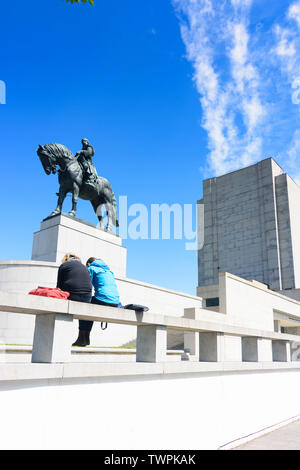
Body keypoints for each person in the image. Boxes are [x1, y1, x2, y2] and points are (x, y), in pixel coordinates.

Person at [56, 253, 93, 347]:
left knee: (60, 309)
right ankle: (83, 338)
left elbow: (59, 285)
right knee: (85, 314)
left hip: (72, 294)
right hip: (87, 296)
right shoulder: (84, 267)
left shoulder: (64, 265)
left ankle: (60, 337)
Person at [82, 257, 120, 335]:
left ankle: (83, 337)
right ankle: (84, 337)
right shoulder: (109, 271)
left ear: (88, 264)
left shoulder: (91, 268)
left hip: (102, 300)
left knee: (84, 306)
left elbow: (86, 285)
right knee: (91, 302)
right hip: (115, 302)